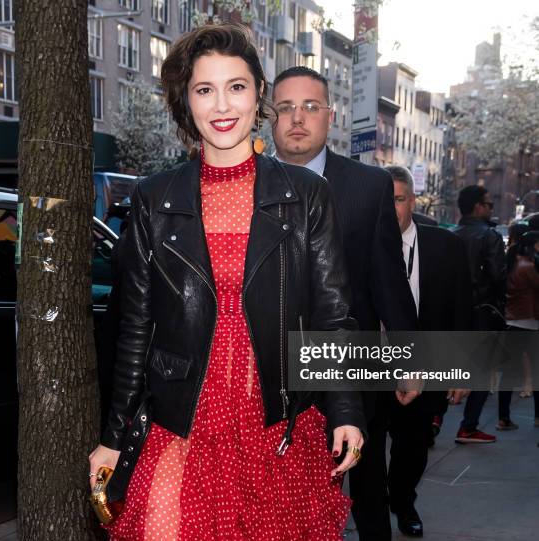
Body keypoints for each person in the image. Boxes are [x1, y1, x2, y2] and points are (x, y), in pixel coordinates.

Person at [89, 24, 365, 541]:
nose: (222, 104)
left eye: (236, 86)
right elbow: (135, 329)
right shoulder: (155, 197)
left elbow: (333, 312)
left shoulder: (306, 194)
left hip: (275, 419)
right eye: (204, 89)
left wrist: (346, 409)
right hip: (182, 417)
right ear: (185, 100)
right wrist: (113, 436)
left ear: (259, 93)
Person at [271, 66, 418, 541]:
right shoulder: (244, 182)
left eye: (310, 107)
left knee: (366, 484)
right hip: (267, 370)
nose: (298, 118)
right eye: (286, 108)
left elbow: (387, 278)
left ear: (329, 117)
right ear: (269, 117)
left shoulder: (367, 185)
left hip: (348, 367)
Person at [385, 165, 473, 537]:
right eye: (383, 201)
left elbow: (462, 309)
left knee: (414, 446)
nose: (391, 209)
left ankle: (403, 501)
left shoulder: (445, 247)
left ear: (412, 201)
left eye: (399, 200)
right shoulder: (355, 245)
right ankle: (372, 510)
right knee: (363, 449)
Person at [453, 185, 506, 443]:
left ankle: (435, 418)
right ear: (478, 207)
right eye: (489, 204)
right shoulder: (489, 236)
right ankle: (469, 425)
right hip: (483, 312)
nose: (491, 208)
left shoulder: (451, 235)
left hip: (453, 312)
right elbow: (498, 276)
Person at [499, 227, 539, 428]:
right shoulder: (527, 266)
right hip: (528, 323)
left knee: (510, 373)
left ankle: (503, 417)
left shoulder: (515, 262)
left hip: (515, 322)